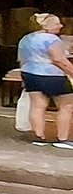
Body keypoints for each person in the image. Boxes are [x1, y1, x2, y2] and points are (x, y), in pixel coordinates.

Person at [19, 13, 73, 147]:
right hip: (52, 75)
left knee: (37, 105)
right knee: (66, 105)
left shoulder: (26, 39)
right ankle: (62, 139)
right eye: (56, 23)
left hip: (29, 74)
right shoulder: (52, 39)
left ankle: (39, 137)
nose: (60, 26)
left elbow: (22, 59)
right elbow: (59, 60)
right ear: (45, 26)